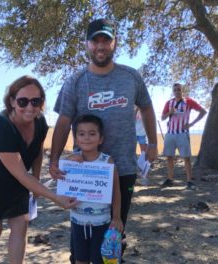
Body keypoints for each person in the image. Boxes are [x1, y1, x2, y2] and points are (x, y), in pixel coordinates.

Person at [49, 18, 158, 260]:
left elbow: (148, 109)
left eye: (106, 40)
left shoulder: (131, 77)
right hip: (83, 171)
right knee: (82, 225)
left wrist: (152, 144)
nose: (100, 46)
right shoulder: (75, 81)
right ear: (87, 44)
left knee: (115, 228)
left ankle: (112, 258)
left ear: (114, 43)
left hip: (124, 166)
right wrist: (54, 159)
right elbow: (64, 121)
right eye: (95, 40)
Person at [0, 75, 78, 264]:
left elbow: (37, 152)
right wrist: (55, 197)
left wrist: (35, 182)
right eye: (23, 101)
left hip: (18, 174)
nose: (30, 107)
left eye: (36, 101)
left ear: (42, 103)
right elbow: (19, 173)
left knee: (21, 223)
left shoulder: (40, 122)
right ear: (12, 101)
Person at [66, 114, 123, 264]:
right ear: (76, 139)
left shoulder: (107, 161)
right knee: (80, 260)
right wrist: (67, 160)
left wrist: (116, 217)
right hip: (77, 222)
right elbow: (62, 182)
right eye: (81, 134)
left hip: (102, 223)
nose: (86, 138)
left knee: (101, 261)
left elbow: (116, 191)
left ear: (100, 138)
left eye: (92, 134)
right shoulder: (71, 160)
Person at [160, 83, 207, 189]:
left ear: (182, 91)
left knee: (186, 158)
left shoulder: (188, 101)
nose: (177, 92)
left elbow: (203, 112)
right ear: (173, 91)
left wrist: (192, 124)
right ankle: (170, 179)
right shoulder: (169, 103)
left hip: (182, 133)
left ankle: (189, 181)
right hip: (170, 133)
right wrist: (170, 112)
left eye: (179, 90)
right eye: (175, 90)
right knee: (169, 157)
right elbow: (162, 117)